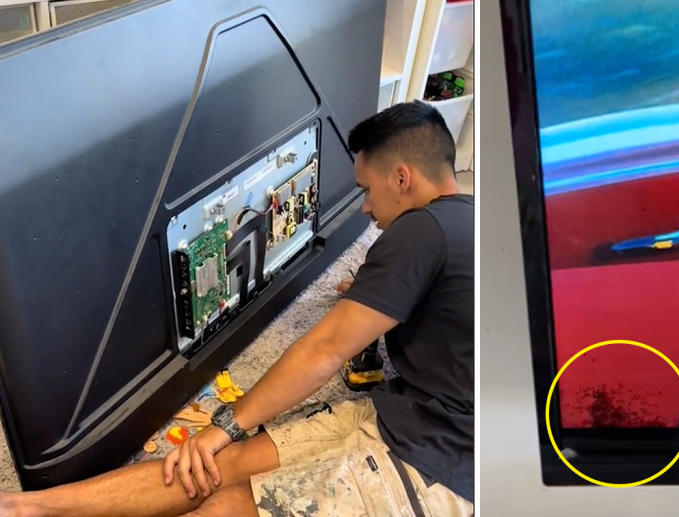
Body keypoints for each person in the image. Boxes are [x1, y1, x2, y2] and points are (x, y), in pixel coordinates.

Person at [0, 101, 474, 517]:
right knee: (212, 468)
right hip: (401, 414)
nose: (365, 207)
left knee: (225, 503)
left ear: (402, 178)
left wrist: (223, 424)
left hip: (445, 461)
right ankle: (26, 507)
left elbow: (325, 349)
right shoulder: (464, 222)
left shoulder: (421, 230)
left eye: (367, 189)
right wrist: (377, 292)